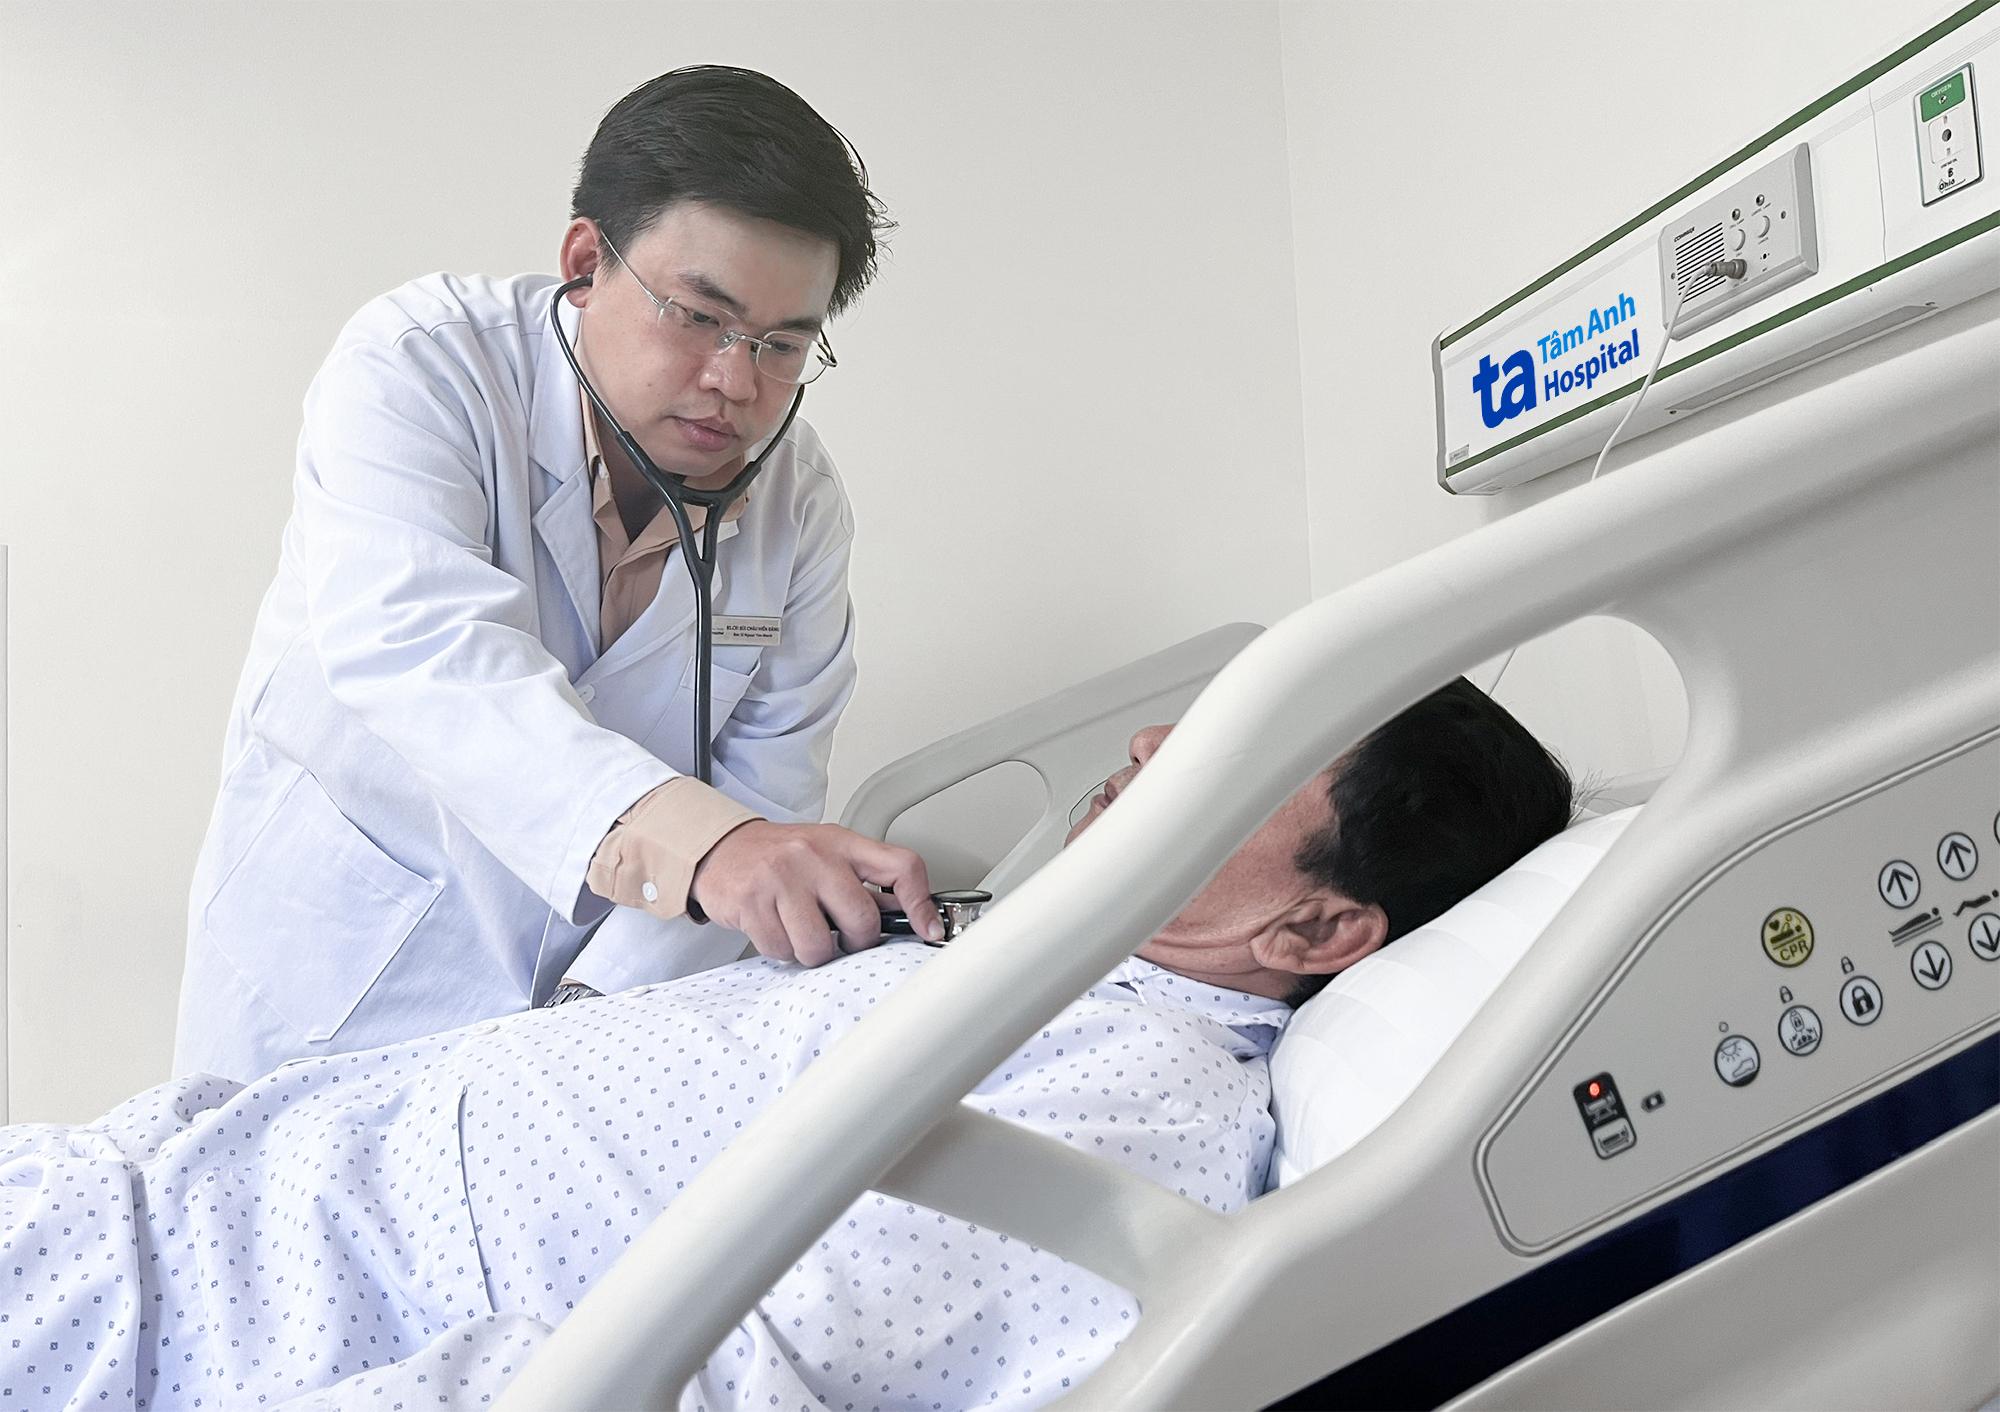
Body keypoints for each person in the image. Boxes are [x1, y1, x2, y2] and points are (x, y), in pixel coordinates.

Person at [16, 679, 1572, 1410]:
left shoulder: (1146, 1106)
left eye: (1252, 753)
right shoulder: (1042, 970)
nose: (1158, 744)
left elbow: (739, 1380)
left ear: (1314, 932)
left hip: (211, 1330)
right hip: (170, 1189)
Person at [174, 67, 943, 1087]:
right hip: (338, 971)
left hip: (582, 1036)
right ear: (586, 262)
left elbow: (765, 787)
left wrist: (587, 1021)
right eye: (698, 316)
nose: (734, 381)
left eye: (781, 345)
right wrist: (707, 850)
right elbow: (423, 654)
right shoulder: (424, 368)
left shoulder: (797, 507)